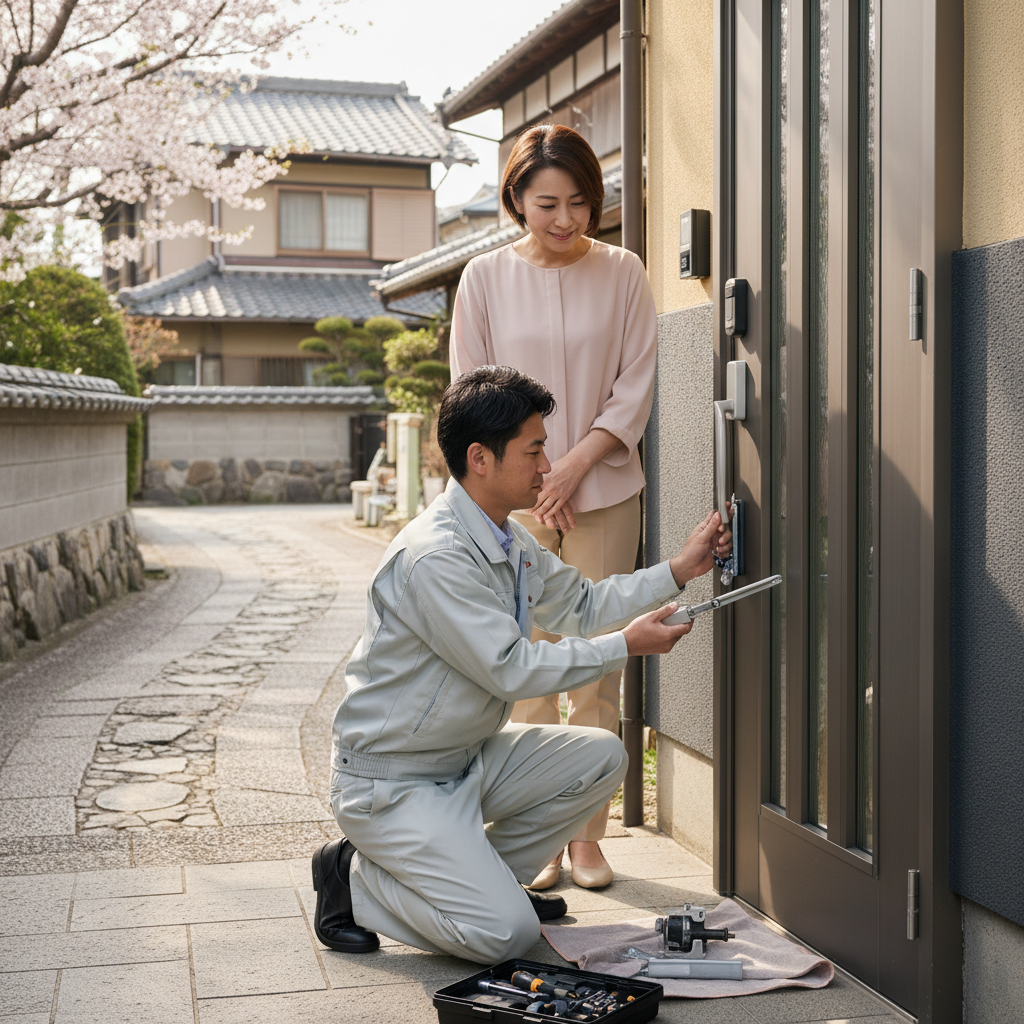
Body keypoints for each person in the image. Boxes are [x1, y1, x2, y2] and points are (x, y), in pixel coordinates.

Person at [312, 365, 731, 965]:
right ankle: (352, 878)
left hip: (463, 759)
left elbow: (582, 605)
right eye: (534, 449)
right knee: (507, 937)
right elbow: (511, 670)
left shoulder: (508, 539)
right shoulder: (435, 558)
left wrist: (679, 571)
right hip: (393, 783)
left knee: (602, 755)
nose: (546, 466)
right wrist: (626, 646)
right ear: (480, 458)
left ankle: (486, 887)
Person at [450, 124, 658, 890]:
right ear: (515, 200)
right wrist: (536, 480)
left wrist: (572, 465)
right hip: (518, 505)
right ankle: (531, 834)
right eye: (546, 204)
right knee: (527, 671)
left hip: (603, 490)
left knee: (600, 668)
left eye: (579, 203)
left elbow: (634, 383)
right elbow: (470, 390)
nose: (565, 220)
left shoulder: (625, 271)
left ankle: (587, 837)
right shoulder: (482, 278)